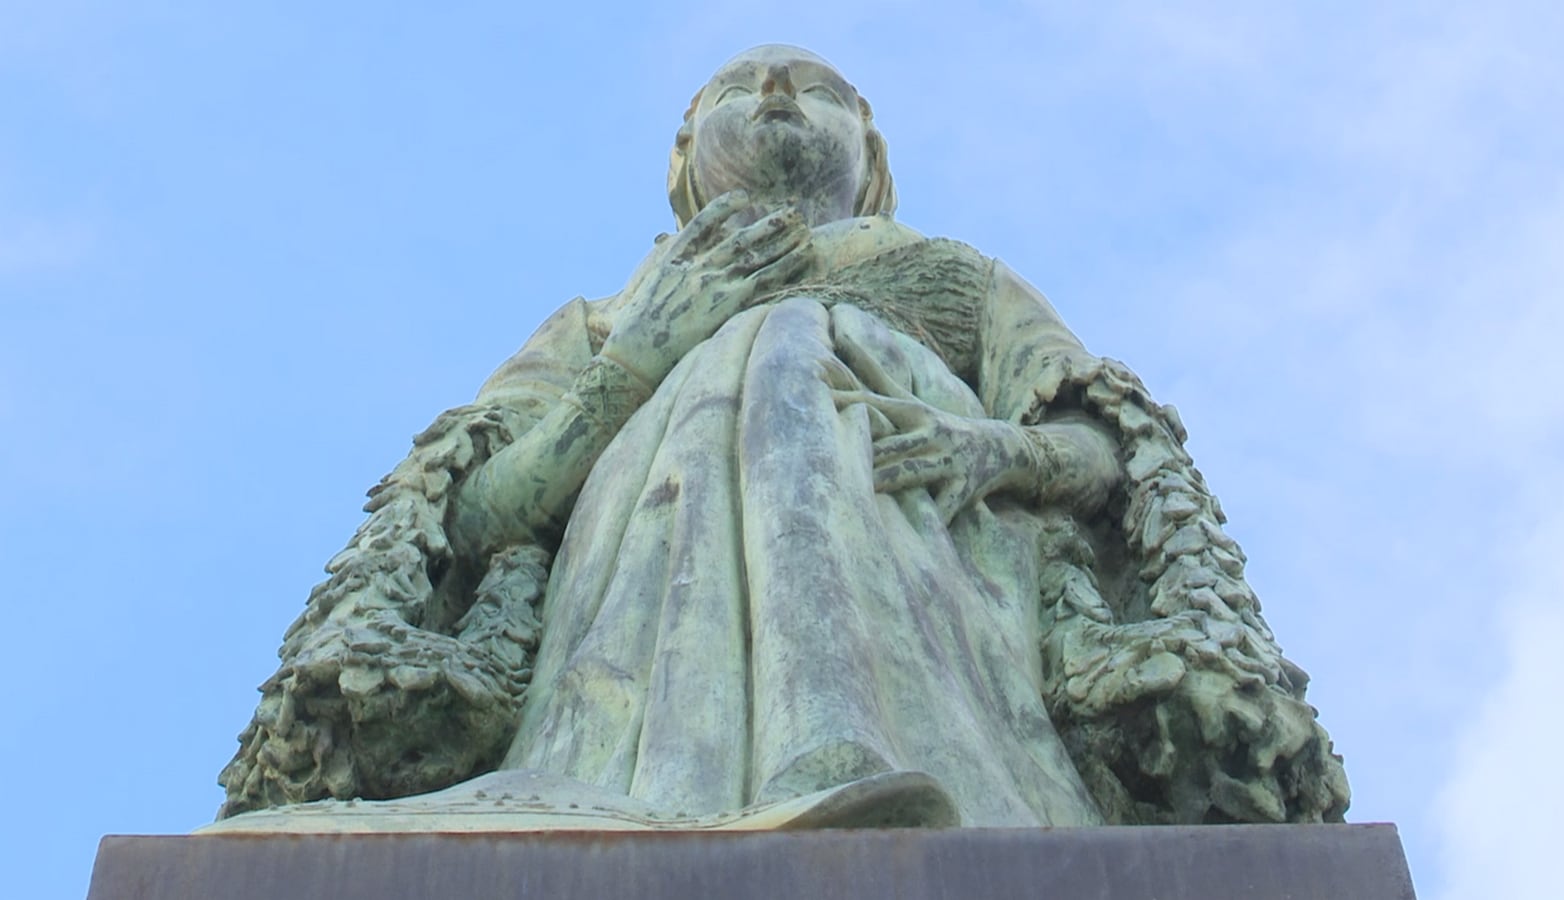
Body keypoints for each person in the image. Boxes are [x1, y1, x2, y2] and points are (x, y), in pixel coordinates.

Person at [215, 45, 1348, 831]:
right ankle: (654, 778)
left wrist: (994, 452)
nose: (774, 90)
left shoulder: (963, 282)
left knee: (789, 348)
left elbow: (1114, 463)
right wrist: (637, 363)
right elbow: (470, 518)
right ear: (682, 153)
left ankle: (871, 759)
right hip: (632, 586)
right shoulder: (604, 319)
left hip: (939, 554)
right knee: (761, 356)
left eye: (821, 89)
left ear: (871, 146)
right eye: (740, 85)